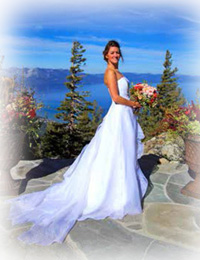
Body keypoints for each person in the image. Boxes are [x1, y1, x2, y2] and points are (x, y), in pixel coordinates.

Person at [4, 40, 148, 246]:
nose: (116, 55)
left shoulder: (117, 72)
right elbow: (116, 98)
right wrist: (133, 102)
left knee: (122, 154)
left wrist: (135, 103)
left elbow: (122, 96)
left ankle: (123, 190)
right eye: (112, 53)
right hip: (118, 117)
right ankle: (109, 193)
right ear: (106, 55)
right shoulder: (109, 73)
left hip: (125, 117)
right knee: (114, 153)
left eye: (118, 52)